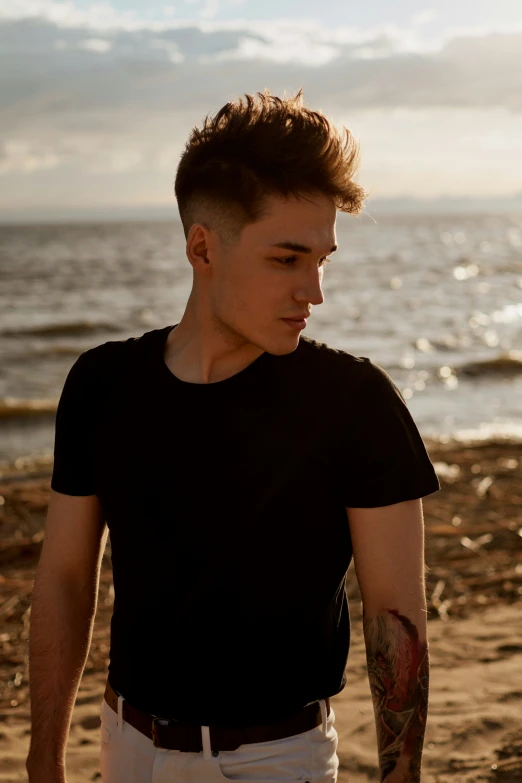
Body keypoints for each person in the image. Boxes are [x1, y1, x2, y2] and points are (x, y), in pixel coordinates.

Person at [26, 88, 441, 783]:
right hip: (127, 747)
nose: (314, 291)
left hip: (280, 760)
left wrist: (403, 775)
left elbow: (396, 616)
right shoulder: (103, 384)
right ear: (201, 247)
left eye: (322, 260)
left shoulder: (356, 402)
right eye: (287, 259)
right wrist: (44, 760)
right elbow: (66, 577)